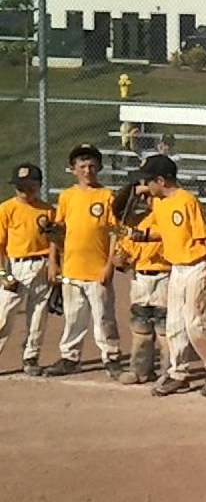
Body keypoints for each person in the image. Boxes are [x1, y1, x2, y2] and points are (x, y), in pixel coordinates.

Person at [134, 154, 206, 397]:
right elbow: (163, 231)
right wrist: (143, 236)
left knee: (195, 325)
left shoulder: (187, 201)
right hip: (176, 269)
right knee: (174, 325)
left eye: (150, 181)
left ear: (161, 180)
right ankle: (179, 373)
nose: (147, 186)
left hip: (197, 267)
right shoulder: (160, 203)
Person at [45, 143, 125, 379]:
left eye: (92, 166)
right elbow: (57, 232)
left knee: (104, 316)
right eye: (82, 166)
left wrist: (109, 265)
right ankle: (70, 356)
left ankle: (111, 355)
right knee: (73, 317)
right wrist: (53, 261)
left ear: (99, 167)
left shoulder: (107, 196)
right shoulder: (67, 197)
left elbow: (115, 233)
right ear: (73, 169)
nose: (87, 171)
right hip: (72, 267)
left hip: (97, 269)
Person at [111, 171, 170, 386]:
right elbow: (125, 255)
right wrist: (121, 259)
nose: (147, 199)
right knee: (141, 326)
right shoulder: (137, 220)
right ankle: (140, 370)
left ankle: (168, 371)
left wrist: (147, 189)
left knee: (165, 328)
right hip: (141, 278)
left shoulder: (165, 215)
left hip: (164, 275)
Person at [0, 163, 55, 376]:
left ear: (38, 186)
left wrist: (53, 264)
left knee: (38, 314)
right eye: (20, 187)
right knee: (4, 313)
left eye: (29, 186)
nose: (24, 191)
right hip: (16, 266)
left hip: (42, 264)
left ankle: (31, 356)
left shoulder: (47, 210)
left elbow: (53, 239)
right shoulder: (6, 209)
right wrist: (3, 274)